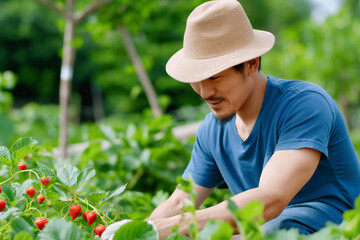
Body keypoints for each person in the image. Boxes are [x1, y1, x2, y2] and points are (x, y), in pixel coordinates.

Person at [102, 0, 360, 239]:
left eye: (215, 77)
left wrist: (165, 228)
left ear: (251, 64)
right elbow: (181, 202)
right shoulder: (212, 131)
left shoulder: (304, 104)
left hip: (337, 225)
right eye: (196, 79)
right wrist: (140, 230)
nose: (205, 92)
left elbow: (270, 200)